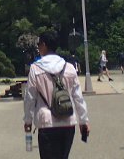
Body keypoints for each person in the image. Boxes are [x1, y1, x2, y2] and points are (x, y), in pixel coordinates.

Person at [23, 29, 89, 159]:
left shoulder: (35, 68)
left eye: (39, 44)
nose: (38, 48)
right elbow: (77, 96)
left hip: (46, 121)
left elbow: (30, 97)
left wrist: (28, 120)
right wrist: (83, 120)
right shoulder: (69, 67)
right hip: (68, 121)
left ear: (44, 45)